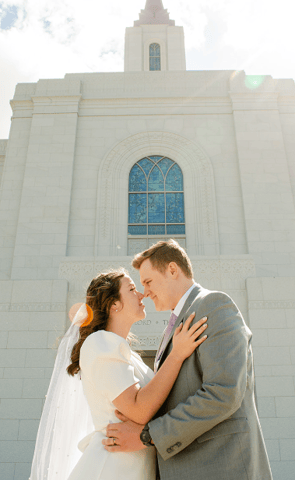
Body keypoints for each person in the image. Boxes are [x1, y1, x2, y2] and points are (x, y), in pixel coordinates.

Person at [103, 240, 273, 480]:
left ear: (173, 270)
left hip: (221, 468)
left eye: (148, 281)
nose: (145, 292)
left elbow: (222, 393)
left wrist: (147, 435)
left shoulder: (214, 305)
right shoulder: (175, 325)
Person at [29, 268, 208, 480]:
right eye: (132, 289)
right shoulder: (100, 343)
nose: (141, 294)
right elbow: (139, 410)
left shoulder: (128, 355)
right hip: (112, 468)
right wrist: (177, 355)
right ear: (114, 304)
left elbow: (148, 409)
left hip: (133, 467)